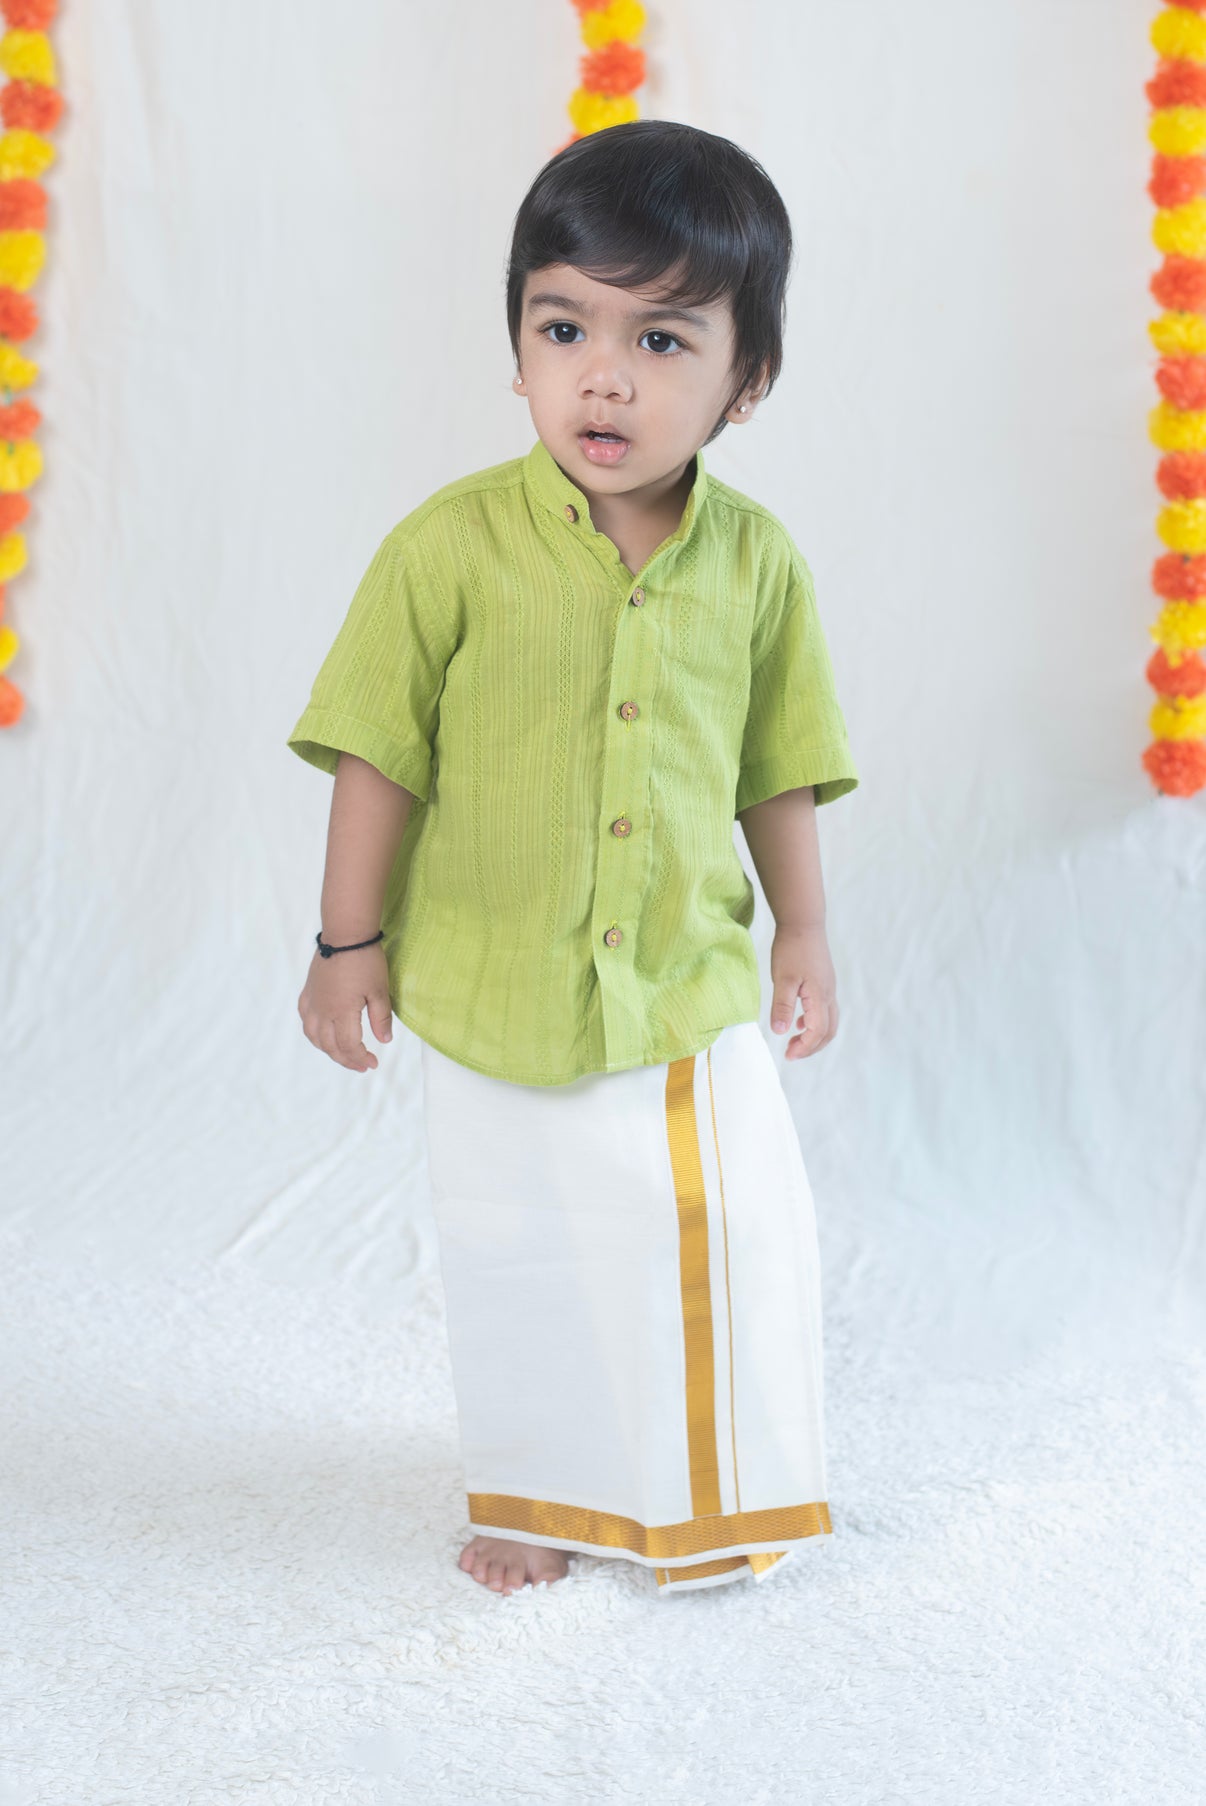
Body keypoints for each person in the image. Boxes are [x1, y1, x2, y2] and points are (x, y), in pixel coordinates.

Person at [286, 119, 859, 1599]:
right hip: (491, 979)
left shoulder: (758, 563)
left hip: (679, 978)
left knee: (725, 1229)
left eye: (661, 339)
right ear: (519, 348)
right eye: (564, 328)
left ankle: (721, 1498)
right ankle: (539, 1494)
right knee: (521, 1253)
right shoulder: (446, 548)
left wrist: (802, 930)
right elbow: (376, 753)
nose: (605, 376)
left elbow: (777, 763)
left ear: (748, 379)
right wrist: (347, 943)